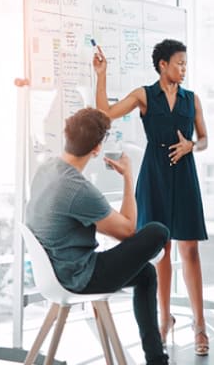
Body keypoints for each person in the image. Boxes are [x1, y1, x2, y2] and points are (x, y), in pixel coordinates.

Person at [92, 39, 210, 356]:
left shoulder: (192, 99)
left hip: (184, 176)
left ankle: (200, 325)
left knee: (190, 250)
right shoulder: (144, 95)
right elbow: (105, 113)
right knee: (162, 250)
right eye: (179, 63)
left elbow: (204, 140)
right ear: (163, 65)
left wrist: (191, 147)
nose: (184, 68)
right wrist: (101, 75)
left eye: (186, 63)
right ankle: (164, 319)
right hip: (154, 174)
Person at [25, 108, 169, 365]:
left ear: (66, 136)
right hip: (78, 277)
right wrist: (128, 177)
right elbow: (127, 230)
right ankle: (157, 361)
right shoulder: (77, 190)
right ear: (96, 149)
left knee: (146, 274)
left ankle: (156, 359)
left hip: (53, 271)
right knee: (158, 232)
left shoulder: (46, 169)